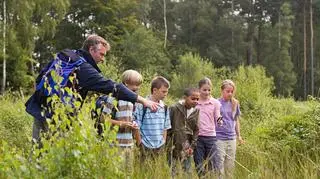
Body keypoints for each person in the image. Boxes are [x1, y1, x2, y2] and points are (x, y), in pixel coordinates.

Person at [25, 34, 158, 147]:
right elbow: (112, 87)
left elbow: (41, 76)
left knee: (37, 151)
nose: (102, 58)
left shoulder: (67, 56)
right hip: (59, 117)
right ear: (91, 49)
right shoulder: (84, 68)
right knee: (53, 155)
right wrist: (142, 100)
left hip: (40, 107)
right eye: (101, 54)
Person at [97, 69, 142, 177]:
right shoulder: (113, 99)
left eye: (138, 85)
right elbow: (103, 119)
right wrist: (121, 123)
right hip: (115, 145)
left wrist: (133, 124)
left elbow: (131, 119)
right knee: (115, 173)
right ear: (126, 83)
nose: (137, 88)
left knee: (128, 174)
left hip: (129, 144)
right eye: (134, 85)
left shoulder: (133, 101)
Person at [134, 76, 171, 160]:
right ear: (154, 90)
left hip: (159, 146)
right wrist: (140, 144)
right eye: (163, 92)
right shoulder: (142, 105)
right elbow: (137, 126)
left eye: (167, 92)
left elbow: (165, 127)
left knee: (156, 170)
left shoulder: (164, 107)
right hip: (145, 145)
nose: (165, 94)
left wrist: (163, 142)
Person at [167, 88, 200, 176]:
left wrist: (192, 146)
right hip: (173, 145)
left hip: (187, 147)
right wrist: (169, 144)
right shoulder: (174, 108)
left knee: (187, 172)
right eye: (193, 99)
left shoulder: (196, 111)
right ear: (185, 97)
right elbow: (167, 127)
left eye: (197, 99)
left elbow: (196, 129)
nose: (196, 101)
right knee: (172, 171)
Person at [216, 79, 244, 179]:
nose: (230, 93)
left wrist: (239, 136)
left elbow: (236, 120)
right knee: (219, 165)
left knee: (230, 165)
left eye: (232, 91)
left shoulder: (235, 103)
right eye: (228, 91)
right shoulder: (216, 103)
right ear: (222, 91)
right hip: (219, 138)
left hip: (231, 138)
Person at [194, 77, 222, 177]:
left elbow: (218, 115)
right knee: (199, 163)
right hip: (198, 138)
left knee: (215, 164)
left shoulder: (215, 103)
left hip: (211, 137)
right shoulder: (195, 103)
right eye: (204, 90)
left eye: (209, 90)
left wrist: (220, 121)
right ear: (199, 90)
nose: (207, 92)